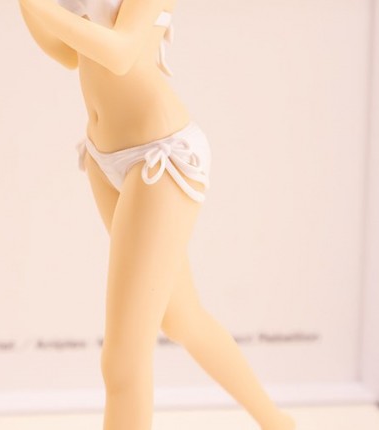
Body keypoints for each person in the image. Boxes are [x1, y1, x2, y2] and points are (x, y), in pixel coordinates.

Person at [18, 1, 296, 429]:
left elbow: (121, 51)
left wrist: (39, 7)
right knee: (182, 317)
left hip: (159, 158)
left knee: (122, 361)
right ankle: (278, 423)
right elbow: (68, 54)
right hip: (103, 156)